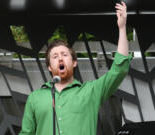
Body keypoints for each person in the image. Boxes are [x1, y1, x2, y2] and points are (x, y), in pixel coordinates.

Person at [19, 2, 131, 135]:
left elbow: (119, 70)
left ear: (74, 63)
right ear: (49, 66)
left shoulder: (90, 91)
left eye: (64, 55)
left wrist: (122, 28)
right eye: (55, 56)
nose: (60, 58)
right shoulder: (35, 97)